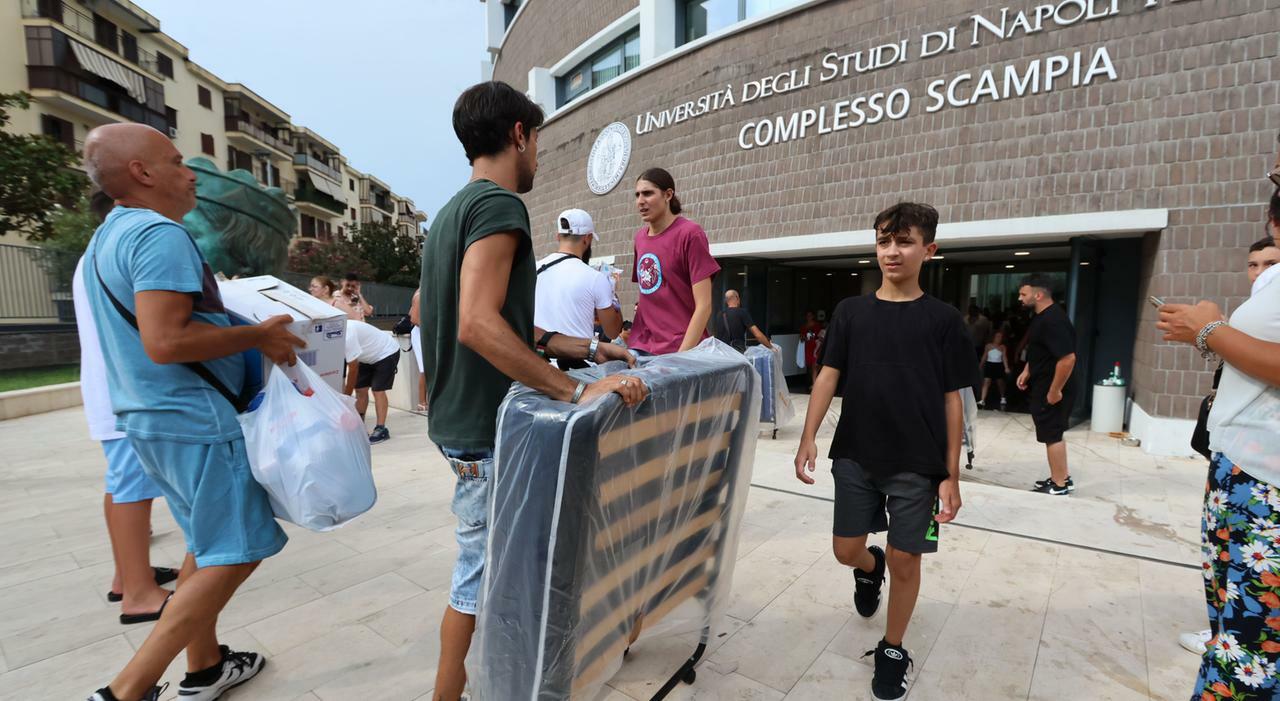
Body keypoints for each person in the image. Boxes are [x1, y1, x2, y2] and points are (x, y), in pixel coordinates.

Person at [420, 81, 646, 701]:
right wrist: (573, 394)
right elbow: (476, 322)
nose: (539, 156)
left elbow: (481, 321)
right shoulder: (499, 206)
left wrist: (583, 354)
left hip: (459, 425)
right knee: (481, 580)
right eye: (539, 140)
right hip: (487, 434)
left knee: (486, 571)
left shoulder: (449, 213)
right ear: (519, 134)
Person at [80, 123, 303, 701]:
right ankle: (127, 689)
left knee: (206, 546)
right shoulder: (160, 234)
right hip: (193, 418)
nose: (190, 174)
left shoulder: (108, 235)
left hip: (152, 418)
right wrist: (260, 336)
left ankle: (205, 668)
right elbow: (167, 341)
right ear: (142, 173)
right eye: (177, 162)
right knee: (240, 550)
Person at [795, 202, 972, 701]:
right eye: (883, 241)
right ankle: (867, 568)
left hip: (919, 460)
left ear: (929, 250)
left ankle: (893, 648)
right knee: (845, 550)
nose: (892, 251)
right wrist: (809, 436)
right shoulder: (852, 312)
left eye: (904, 241)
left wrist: (951, 473)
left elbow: (951, 399)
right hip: (855, 451)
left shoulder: (944, 321)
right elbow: (828, 374)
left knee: (907, 559)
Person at [1159, 200, 1280, 701]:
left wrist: (1211, 329)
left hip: (1266, 485)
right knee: (1236, 624)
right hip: (1245, 471)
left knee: (1251, 654)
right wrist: (1212, 333)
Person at [73, 191, 178, 626]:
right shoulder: (126, 246)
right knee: (131, 486)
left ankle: (128, 574)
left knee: (122, 484)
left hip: (112, 390)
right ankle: (138, 594)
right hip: (125, 392)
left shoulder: (95, 253)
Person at [628, 167, 720, 355]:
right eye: (637, 195)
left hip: (680, 350)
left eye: (647, 193)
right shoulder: (639, 238)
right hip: (642, 348)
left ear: (668, 194)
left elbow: (704, 306)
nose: (640, 201)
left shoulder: (690, 234)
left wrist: (681, 357)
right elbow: (648, 297)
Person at [533, 208, 623, 369]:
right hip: (577, 368)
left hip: (538, 365)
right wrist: (614, 296)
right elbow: (612, 331)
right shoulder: (596, 278)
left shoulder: (533, 269)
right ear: (587, 238)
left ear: (558, 236)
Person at [1015, 275, 1078, 495]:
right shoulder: (1042, 317)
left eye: (1024, 294)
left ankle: (1059, 485)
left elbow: (1067, 358)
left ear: (1038, 295)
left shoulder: (1054, 320)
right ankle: (1061, 477)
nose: (1019, 298)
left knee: (1052, 434)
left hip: (1053, 388)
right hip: (1043, 383)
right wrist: (1027, 371)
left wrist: (1055, 390)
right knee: (1052, 432)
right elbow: (1041, 351)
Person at [343, 319, 400, 444]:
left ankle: (381, 429)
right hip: (366, 356)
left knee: (378, 390)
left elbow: (353, 369)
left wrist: (346, 397)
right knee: (360, 389)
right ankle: (360, 427)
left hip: (386, 352)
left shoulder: (347, 335)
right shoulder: (335, 335)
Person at [979, 330, 1011, 411]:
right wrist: (980, 365)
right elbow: (984, 356)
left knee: (1000, 383)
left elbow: (1004, 357)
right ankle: (982, 400)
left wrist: (1006, 367)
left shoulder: (1003, 347)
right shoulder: (988, 346)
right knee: (986, 382)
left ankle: (1003, 397)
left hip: (998, 366)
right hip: (989, 365)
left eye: (1000, 337)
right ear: (993, 337)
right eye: (997, 336)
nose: (999, 338)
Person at [409, 288, 428, 413]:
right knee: (424, 368)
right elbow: (414, 319)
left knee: (428, 367)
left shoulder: (424, 292)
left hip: (425, 333)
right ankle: (422, 402)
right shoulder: (420, 294)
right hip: (420, 334)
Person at [800, 310, 824, 389]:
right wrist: (803, 337)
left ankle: (815, 384)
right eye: (807, 315)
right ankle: (811, 383)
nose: (809, 317)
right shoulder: (804, 326)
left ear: (813, 316)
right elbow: (801, 337)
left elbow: (821, 336)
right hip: (807, 347)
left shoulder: (817, 325)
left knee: (815, 364)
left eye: (810, 315)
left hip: (816, 347)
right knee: (809, 366)